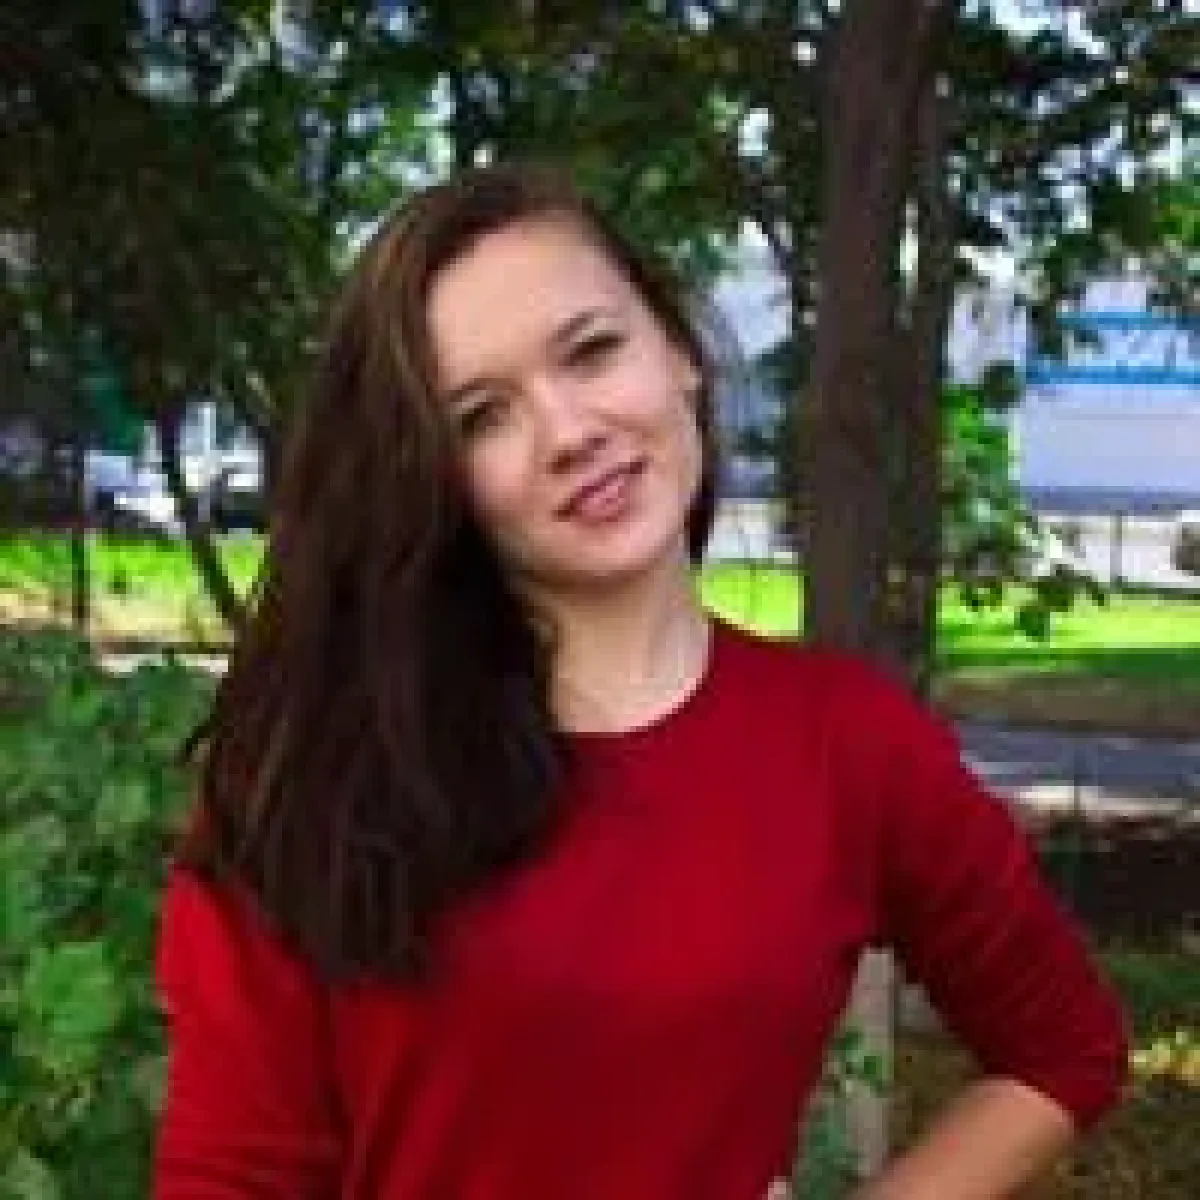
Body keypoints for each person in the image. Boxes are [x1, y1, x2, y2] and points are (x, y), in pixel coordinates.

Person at [155, 163, 1128, 1200]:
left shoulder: (848, 745)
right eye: (482, 416)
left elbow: (1063, 1050)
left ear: (678, 353)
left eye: (592, 351)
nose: (570, 432)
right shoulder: (316, 775)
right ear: (434, 476)